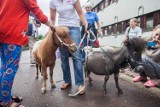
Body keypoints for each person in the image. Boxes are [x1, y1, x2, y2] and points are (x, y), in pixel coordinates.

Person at [0, 0, 55, 107]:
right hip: (13, 32)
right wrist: (50, 24)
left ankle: (3, 95)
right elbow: (36, 10)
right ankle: (5, 101)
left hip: (2, 30)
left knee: (4, 66)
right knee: (10, 68)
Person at [50, 0, 88, 95]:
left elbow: (80, 13)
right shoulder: (53, 2)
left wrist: (86, 25)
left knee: (76, 56)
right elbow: (52, 18)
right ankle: (67, 80)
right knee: (64, 57)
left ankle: (80, 83)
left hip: (74, 28)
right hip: (61, 29)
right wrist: (51, 28)